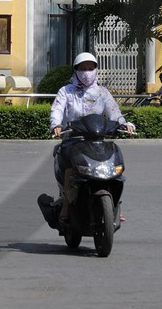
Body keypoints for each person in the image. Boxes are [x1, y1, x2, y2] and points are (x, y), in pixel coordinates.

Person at [50, 52, 134, 222]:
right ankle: (66, 206)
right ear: (76, 70)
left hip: (97, 140)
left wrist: (124, 123)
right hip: (73, 140)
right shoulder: (66, 91)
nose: (87, 72)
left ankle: (115, 206)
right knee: (69, 168)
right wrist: (56, 124)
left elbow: (113, 111)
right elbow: (57, 109)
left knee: (114, 166)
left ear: (96, 70)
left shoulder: (102, 92)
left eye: (91, 68)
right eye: (83, 69)